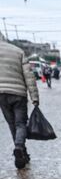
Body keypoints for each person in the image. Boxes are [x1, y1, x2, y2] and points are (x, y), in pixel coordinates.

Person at [0, 37, 39, 169]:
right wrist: (34, 97)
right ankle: (19, 148)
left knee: (12, 124)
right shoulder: (18, 51)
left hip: (1, 94)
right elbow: (29, 76)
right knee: (20, 123)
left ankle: (21, 152)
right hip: (18, 94)